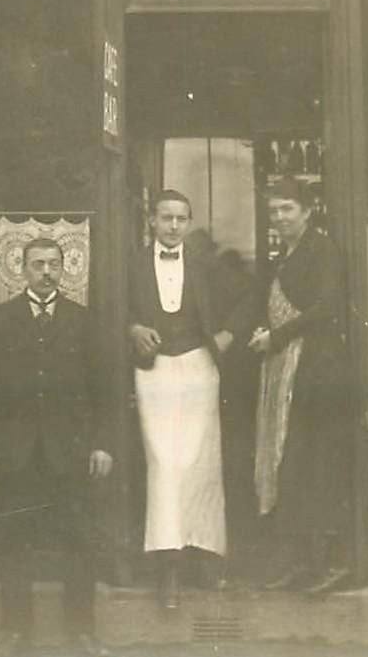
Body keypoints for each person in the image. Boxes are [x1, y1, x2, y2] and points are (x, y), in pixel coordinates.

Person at [0, 237, 113, 653]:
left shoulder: (84, 321)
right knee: (14, 539)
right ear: (23, 270)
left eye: (53, 264)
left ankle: (81, 630)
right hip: (17, 453)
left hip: (70, 452)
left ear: (64, 269)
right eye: (37, 264)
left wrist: (102, 444)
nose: (46, 271)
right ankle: (15, 630)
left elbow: (103, 389)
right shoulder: (2, 320)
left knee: (80, 540)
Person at [245, 178, 352, 594]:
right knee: (294, 463)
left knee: (316, 464)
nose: (279, 218)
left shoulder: (322, 250)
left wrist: (277, 336)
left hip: (317, 371)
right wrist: (266, 331)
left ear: (308, 211)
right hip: (290, 366)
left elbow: (327, 307)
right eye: (273, 211)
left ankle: (328, 564)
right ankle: (303, 563)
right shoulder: (286, 254)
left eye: (287, 209)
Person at [128, 189, 233, 610]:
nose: (174, 226)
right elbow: (110, 307)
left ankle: (205, 557)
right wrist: (130, 328)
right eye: (166, 218)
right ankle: (168, 568)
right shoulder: (132, 263)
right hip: (153, 372)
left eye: (182, 219)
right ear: (152, 220)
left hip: (198, 369)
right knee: (165, 465)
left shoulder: (206, 264)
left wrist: (227, 335)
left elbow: (249, 298)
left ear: (189, 224)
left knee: (202, 464)